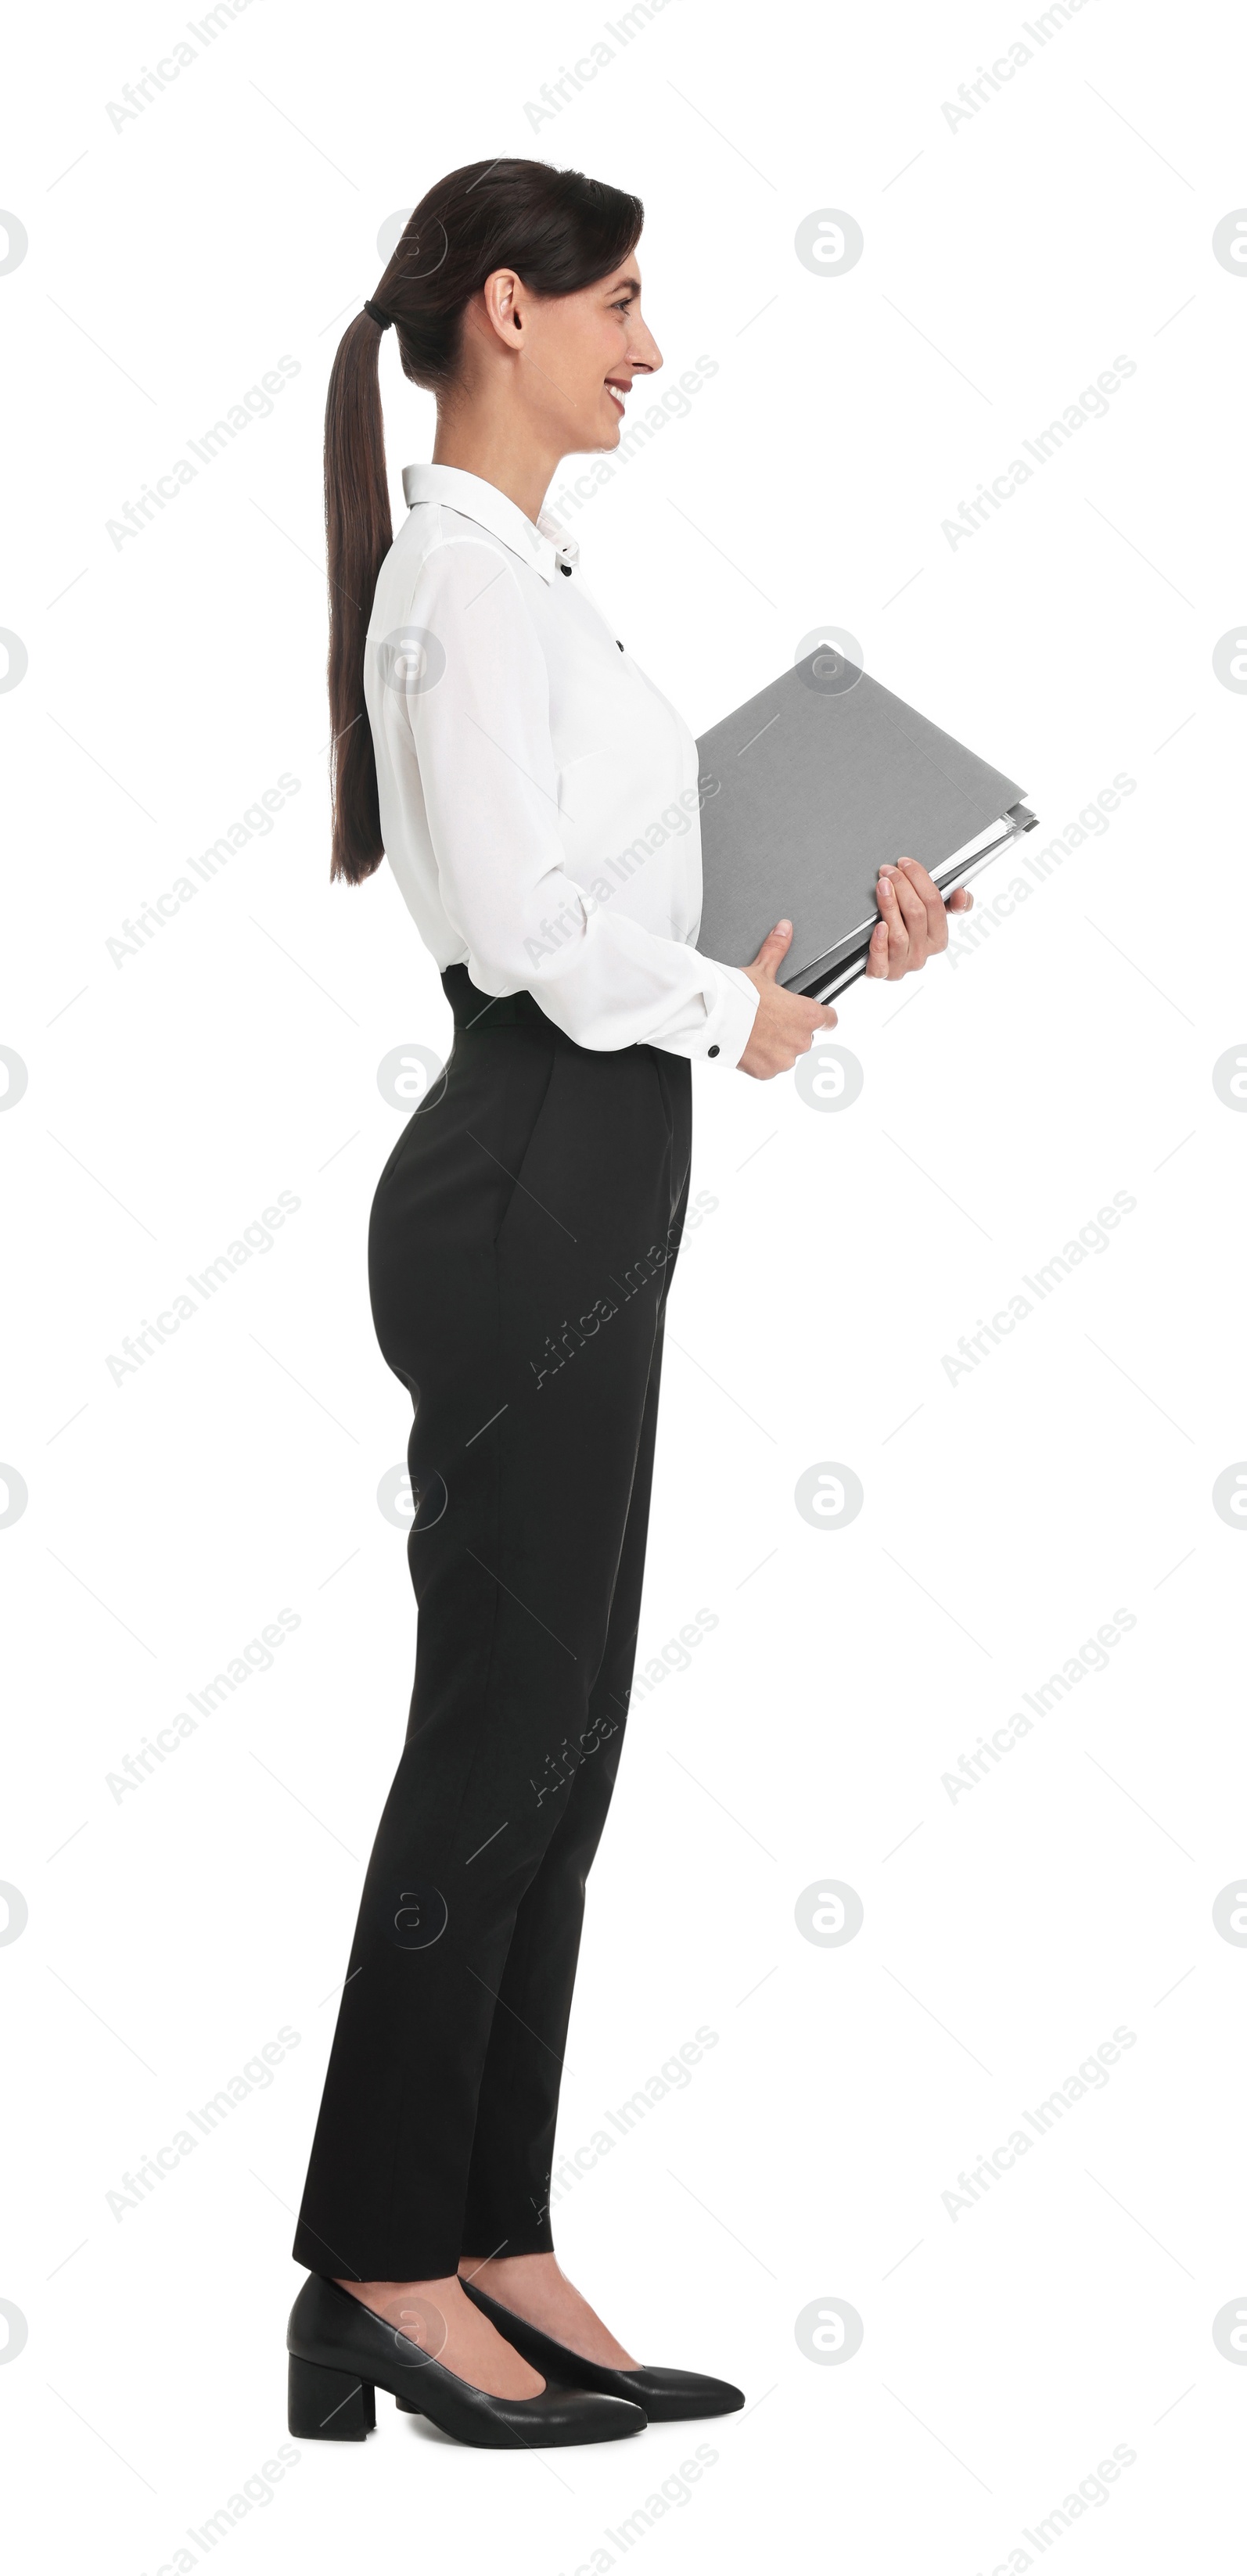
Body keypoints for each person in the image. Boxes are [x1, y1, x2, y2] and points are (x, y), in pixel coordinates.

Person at [287, 156, 972, 2452]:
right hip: (519, 1180)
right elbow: (514, 924)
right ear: (508, 309)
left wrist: (830, 946)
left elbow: (622, 900)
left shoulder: (531, 582)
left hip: (589, 1174)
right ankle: (375, 2267)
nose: (648, 348)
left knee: (558, 1750)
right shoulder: (457, 601)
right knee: (497, 1737)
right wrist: (724, 1017)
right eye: (621, 305)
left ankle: (487, 2230)